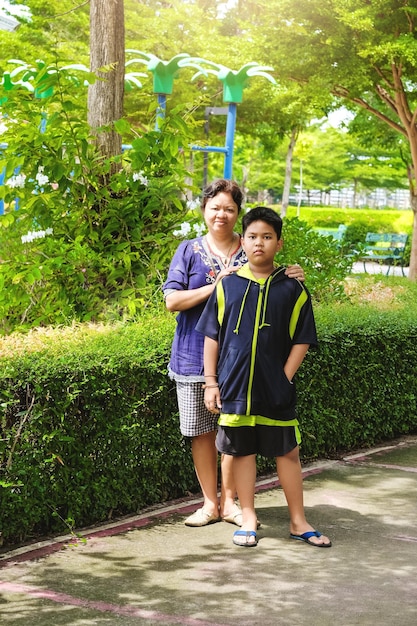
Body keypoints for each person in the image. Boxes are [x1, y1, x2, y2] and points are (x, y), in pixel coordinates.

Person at [163, 181, 305, 527]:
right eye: (215, 207)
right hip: (193, 357)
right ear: (204, 210)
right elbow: (172, 301)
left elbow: (272, 283)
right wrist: (218, 285)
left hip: (242, 366)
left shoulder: (251, 246)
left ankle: (231, 503)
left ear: (238, 214)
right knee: (202, 433)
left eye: (228, 208)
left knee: (235, 435)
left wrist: (294, 273)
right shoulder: (189, 250)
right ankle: (210, 503)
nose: (221, 214)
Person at [196, 206, 332, 548]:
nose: (260, 244)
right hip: (235, 388)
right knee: (242, 452)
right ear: (243, 241)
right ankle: (250, 518)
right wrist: (211, 382)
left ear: (279, 243)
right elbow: (211, 336)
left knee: (288, 452)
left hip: (275, 390)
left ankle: (299, 521)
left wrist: (284, 377)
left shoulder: (293, 289)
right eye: (253, 237)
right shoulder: (227, 287)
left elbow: (302, 339)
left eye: (267, 237)